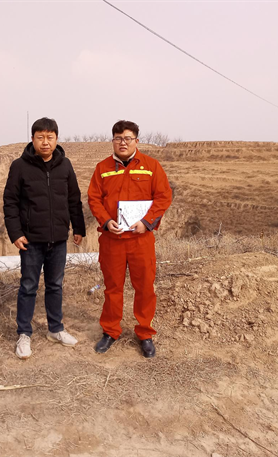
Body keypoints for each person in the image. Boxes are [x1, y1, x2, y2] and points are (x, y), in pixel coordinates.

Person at [87, 120, 172, 358]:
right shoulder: (102, 168)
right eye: (118, 138)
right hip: (112, 239)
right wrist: (106, 221)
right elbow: (94, 198)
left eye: (127, 138)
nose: (122, 143)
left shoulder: (151, 166)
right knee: (112, 288)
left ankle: (144, 333)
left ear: (136, 140)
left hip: (140, 239)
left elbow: (163, 197)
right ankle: (110, 331)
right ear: (113, 141)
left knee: (144, 287)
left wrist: (147, 222)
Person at [3, 117, 86, 359]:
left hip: (58, 239)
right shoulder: (20, 166)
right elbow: (10, 202)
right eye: (40, 137)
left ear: (57, 139)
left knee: (55, 285)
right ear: (32, 139)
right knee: (28, 286)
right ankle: (24, 334)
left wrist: (78, 227)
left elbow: (74, 199)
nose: (45, 142)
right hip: (31, 240)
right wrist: (15, 233)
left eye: (50, 137)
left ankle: (55, 329)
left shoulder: (65, 165)